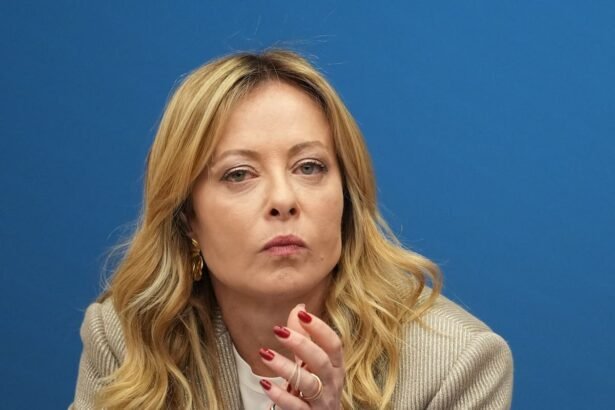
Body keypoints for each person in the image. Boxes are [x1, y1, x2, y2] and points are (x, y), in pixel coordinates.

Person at [70, 49, 513, 410]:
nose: (283, 199)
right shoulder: (128, 337)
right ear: (186, 215)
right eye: (239, 174)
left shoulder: (456, 362)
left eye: (309, 167)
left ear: (347, 197)